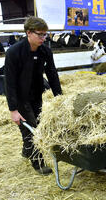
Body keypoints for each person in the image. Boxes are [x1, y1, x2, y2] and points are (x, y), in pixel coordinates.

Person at [4, 16, 63, 175]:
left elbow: (52, 74)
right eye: (40, 34)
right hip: (20, 98)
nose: (44, 38)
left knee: (34, 124)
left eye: (45, 34)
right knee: (32, 130)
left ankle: (26, 151)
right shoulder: (14, 52)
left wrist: (59, 97)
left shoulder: (45, 51)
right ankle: (38, 163)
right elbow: (9, 83)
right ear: (28, 33)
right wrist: (13, 109)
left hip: (37, 95)